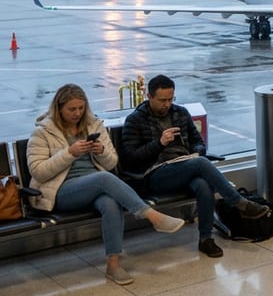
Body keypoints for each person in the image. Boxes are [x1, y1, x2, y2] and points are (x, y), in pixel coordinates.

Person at [27, 84, 187, 285]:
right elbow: (38, 171)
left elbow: (112, 163)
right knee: (103, 179)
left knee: (110, 203)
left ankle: (113, 265)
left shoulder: (93, 125)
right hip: (60, 191)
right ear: (59, 109)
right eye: (72, 109)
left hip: (95, 186)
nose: (78, 113)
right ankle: (152, 216)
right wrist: (69, 153)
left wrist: (100, 151)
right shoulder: (43, 133)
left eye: (81, 108)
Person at [121, 75, 270, 258]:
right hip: (155, 173)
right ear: (149, 97)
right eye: (162, 100)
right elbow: (130, 159)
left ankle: (206, 239)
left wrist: (196, 152)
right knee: (200, 164)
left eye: (170, 99)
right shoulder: (135, 120)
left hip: (185, 166)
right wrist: (159, 144)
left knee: (202, 184)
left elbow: (198, 142)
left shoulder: (180, 113)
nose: (167, 104)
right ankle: (238, 202)